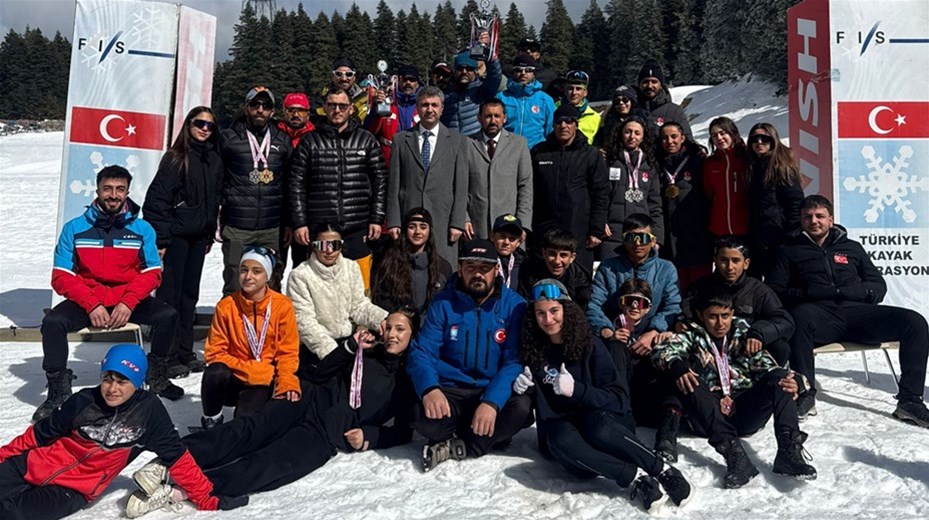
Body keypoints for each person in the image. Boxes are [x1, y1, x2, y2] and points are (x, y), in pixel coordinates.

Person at [126, 309, 419, 515]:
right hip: (308, 399)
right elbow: (320, 373)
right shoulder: (364, 350)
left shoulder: (405, 381)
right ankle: (168, 462)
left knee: (272, 465)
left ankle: (184, 490)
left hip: (327, 432)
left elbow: (403, 429)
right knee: (248, 431)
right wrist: (349, 346)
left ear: (412, 335)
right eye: (388, 326)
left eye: (400, 329)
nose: (391, 334)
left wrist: (369, 436)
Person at [0, 344, 245, 520]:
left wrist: (206, 498)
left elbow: (177, 457)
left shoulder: (148, 413)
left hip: (74, 490)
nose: (112, 389)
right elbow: (39, 435)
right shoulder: (84, 400)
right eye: (108, 379)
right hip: (32, 465)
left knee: (13, 513)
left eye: (122, 381)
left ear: (137, 383)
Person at [515, 279, 692, 512]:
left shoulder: (592, 345)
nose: (548, 320)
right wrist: (526, 388)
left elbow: (618, 399)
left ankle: (661, 469)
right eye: (540, 313)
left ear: (566, 309)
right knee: (556, 437)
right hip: (572, 442)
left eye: (554, 311)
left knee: (596, 425)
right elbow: (545, 412)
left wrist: (577, 391)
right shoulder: (534, 351)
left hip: (608, 427)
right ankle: (634, 478)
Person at [766, 195, 929, 426]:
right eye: (808, 217)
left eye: (820, 216)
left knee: (914, 322)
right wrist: (807, 294)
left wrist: (856, 292)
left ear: (831, 219)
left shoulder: (852, 248)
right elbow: (774, 292)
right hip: (818, 316)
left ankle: (910, 401)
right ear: (801, 221)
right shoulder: (787, 251)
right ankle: (805, 394)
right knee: (799, 317)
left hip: (857, 313)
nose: (814, 221)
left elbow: (877, 286)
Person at [37, 166, 182, 421]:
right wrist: (91, 304)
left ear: (127, 192)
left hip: (128, 299)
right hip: (88, 300)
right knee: (53, 322)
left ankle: (156, 374)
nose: (113, 195)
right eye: (107, 189)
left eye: (119, 189)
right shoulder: (75, 228)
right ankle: (58, 389)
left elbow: (152, 272)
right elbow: (60, 275)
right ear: (98, 190)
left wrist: (128, 302)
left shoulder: (142, 229)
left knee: (168, 315)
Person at [651, 290, 817, 488]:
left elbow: (769, 368)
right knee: (688, 379)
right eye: (712, 316)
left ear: (732, 314)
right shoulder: (692, 336)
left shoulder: (743, 335)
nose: (720, 323)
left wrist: (798, 381)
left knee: (780, 379)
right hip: (709, 414)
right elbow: (663, 350)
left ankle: (789, 452)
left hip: (744, 410)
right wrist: (677, 366)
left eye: (725, 316)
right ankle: (735, 456)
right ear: (701, 316)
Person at [407, 239, 532, 471]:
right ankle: (482, 437)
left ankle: (463, 441)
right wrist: (430, 389)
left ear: (496, 270)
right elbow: (423, 351)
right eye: (471, 267)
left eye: (484, 268)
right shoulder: (443, 302)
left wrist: (492, 403)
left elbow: (514, 360)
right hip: (451, 389)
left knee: (522, 408)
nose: (478, 274)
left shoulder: (515, 305)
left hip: (489, 386)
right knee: (417, 412)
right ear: (460, 269)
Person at [143, 106, 221, 378]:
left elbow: (212, 202)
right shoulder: (176, 158)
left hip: (199, 237)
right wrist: (161, 239)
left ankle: (185, 352)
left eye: (210, 125)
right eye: (200, 123)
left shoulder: (213, 158)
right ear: (188, 125)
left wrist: (210, 232)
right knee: (170, 297)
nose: (204, 129)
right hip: (176, 237)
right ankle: (166, 355)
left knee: (190, 297)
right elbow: (156, 201)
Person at [289, 88, 388, 289]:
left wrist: (376, 218)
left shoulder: (366, 139)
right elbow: (296, 183)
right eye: (332, 105)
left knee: (360, 290)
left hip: (357, 228)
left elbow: (380, 180)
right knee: (320, 290)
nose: (337, 110)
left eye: (342, 106)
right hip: (321, 230)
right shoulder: (309, 142)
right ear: (324, 108)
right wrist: (300, 222)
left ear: (351, 109)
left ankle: (358, 323)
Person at [200, 247, 301, 429]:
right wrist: (253, 370)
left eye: (257, 271)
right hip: (237, 376)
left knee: (244, 424)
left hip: (263, 382)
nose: (248, 276)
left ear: (267, 276)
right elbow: (214, 353)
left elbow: (288, 352)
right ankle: (211, 420)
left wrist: (286, 381)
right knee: (214, 372)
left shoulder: (282, 306)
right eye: (244, 270)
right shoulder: (226, 306)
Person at [286, 224, 388, 375]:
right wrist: (336, 353)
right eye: (323, 245)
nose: (329, 250)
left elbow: (359, 305)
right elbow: (304, 322)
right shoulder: (300, 275)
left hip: (348, 341)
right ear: (314, 246)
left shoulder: (351, 267)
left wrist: (383, 320)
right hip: (318, 348)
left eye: (335, 245)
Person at [219, 86, 292, 295]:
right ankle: (232, 326)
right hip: (238, 224)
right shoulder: (228, 138)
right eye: (255, 104)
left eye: (266, 105)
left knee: (272, 283)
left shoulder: (282, 141)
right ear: (245, 108)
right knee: (235, 282)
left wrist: (288, 222)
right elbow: (217, 180)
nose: (260, 109)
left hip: (272, 227)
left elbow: (289, 185)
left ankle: (267, 328)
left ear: (273, 111)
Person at [387, 86, 469, 264]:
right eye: (425, 105)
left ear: (442, 109)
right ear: (417, 108)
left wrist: (457, 223)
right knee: (407, 269)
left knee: (443, 271)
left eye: (434, 105)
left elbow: (461, 186)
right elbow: (393, 184)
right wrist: (393, 221)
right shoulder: (401, 140)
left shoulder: (457, 141)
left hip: (443, 220)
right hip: (409, 219)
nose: (429, 110)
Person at [604, 279, 683, 463]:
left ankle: (667, 436)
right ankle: (621, 426)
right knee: (615, 348)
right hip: (623, 399)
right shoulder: (610, 326)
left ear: (648, 308)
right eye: (628, 301)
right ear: (620, 304)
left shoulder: (653, 329)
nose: (634, 307)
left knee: (673, 356)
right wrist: (611, 340)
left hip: (650, 396)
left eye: (640, 303)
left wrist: (669, 337)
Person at [681, 237, 793, 365]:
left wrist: (757, 334)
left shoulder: (759, 291)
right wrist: (683, 322)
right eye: (724, 260)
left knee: (780, 346)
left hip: (746, 346)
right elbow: (685, 311)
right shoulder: (700, 287)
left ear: (746, 263)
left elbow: (784, 320)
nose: (730, 267)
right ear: (715, 261)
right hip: (709, 346)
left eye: (736, 261)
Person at [530, 104, 610, 275]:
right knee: (541, 274)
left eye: (568, 121)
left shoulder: (590, 154)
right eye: (559, 122)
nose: (563, 126)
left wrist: (596, 229)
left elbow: (601, 193)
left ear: (576, 124)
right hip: (544, 226)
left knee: (577, 276)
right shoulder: (539, 152)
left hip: (578, 227)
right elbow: (529, 191)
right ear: (553, 125)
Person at [588, 214, 681, 352]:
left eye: (643, 238)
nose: (637, 243)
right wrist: (608, 332)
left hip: (652, 339)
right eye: (631, 238)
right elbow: (594, 305)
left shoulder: (666, 269)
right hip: (614, 337)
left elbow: (672, 307)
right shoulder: (607, 267)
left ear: (653, 241)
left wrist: (654, 331)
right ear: (623, 240)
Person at [465, 98, 533, 239]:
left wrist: (523, 223)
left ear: (505, 118)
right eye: (488, 116)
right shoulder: (466, 144)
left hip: (510, 229)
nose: (493, 120)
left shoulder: (519, 144)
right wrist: (464, 218)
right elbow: (460, 187)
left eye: (497, 116)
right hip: (476, 228)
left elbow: (525, 187)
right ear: (479, 118)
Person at [656, 121, 711, 289]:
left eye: (674, 137)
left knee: (700, 283)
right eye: (664, 138)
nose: (669, 141)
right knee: (676, 282)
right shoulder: (656, 162)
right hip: (670, 231)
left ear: (683, 138)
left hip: (696, 230)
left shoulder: (697, 160)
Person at [601, 117, 664, 260]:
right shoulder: (608, 161)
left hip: (642, 238)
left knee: (640, 281)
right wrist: (600, 222)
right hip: (613, 234)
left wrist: (658, 238)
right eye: (628, 132)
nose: (632, 137)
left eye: (637, 133)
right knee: (612, 278)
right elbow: (601, 196)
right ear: (620, 134)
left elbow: (655, 204)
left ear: (643, 137)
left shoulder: (650, 165)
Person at [746, 122, 804, 275]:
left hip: (779, 235)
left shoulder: (782, 167)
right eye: (754, 139)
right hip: (757, 235)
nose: (759, 142)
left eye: (764, 139)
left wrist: (791, 232)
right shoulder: (752, 166)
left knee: (777, 279)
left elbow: (795, 201)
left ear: (773, 140)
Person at [370, 208, 452, 313]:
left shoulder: (443, 267)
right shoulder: (389, 264)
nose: (417, 232)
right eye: (412, 227)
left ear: (429, 231)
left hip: (431, 325)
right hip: (399, 323)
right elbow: (382, 302)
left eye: (423, 227)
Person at [275, 92, 316, 267]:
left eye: (301, 110)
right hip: (277, 214)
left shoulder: (315, 137)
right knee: (274, 269)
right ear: (284, 112)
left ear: (308, 113)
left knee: (304, 270)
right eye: (291, 110)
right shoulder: (273, 135)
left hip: (305, 216)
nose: (296, 115)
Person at [517, 227, 592, 308]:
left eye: (563, 255)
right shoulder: (530, 273)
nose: (557, 261)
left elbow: (583, 311)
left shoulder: (580, 278)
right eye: (552, 254)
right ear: (544, 253)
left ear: (572, 257)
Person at [703, 116, 749, 240]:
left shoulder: (747, 159)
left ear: (732, 133)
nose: (719, 138)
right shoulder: (710, 164)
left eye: (723, 133)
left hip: (746, 227)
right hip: (719, 228)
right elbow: (708, 194)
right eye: (714, 135)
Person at [365, 64, 421, 163]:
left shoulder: (422, 106)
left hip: (415, 160)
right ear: (398, 81)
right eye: (404, 79)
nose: (408, 83)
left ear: (417, 83)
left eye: (412, 80)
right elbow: (369, 130)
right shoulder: (386, 103)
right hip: (389, 160)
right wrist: (375, 108)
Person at [497, 54, 554, 148]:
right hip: (507, 150)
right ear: (513, 72)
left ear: (533, 72)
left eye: (528, 70)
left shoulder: (545, 100)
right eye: (519, 70)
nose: (523, 73)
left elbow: (551, 131)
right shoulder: (501, 98)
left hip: (535, 152)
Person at [441, 50, 503, 137]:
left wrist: (490, 57)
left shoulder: (481, 90)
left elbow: (495, 76)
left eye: (469, 69)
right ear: (455, 71)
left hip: (473, 143)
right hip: (451, 143)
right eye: (460, 68)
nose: (464, 72)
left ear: (475, 71)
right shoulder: (445, 93)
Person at [634, 59, 693, 141]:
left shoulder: (674, 111)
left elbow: (687, 140)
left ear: (661, 85)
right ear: (639, 84)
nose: (650, 86)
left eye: (654, 82)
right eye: (645, 82)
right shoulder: (631, 109)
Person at [315, 57, 370, 122]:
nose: (344, 78)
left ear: (354, 77)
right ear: (333, 76)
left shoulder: (366, 100)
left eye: (349, 74)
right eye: (339, 74)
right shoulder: (320, 98)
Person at [560, 70, 600, 144]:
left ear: (585, 92)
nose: (574, 92)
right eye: (570, 88)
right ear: (565, 91)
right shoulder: (555, 111)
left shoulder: (595, 117)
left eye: (578, 89)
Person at [490, 214, 526, 290]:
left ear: (519, 242)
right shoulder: (483, 260)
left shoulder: (523, 264)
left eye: (512, 238)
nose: (506, 242)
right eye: (502, 237)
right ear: (492, 236)